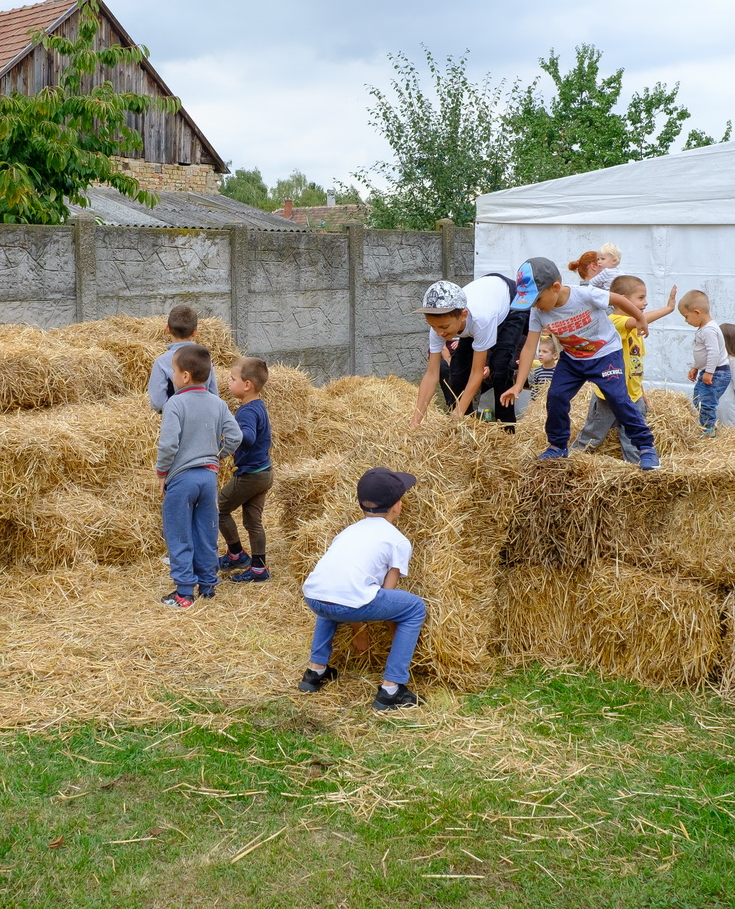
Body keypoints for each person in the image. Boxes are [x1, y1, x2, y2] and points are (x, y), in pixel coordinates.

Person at [499, 257, 658, 469]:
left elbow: (618, 299)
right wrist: (519, 384)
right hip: (573, 359)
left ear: (556, 287)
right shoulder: (538, 313)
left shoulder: (584, 294)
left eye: (537, 299)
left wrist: (640, 318)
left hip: (605, 354)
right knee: (556, 396)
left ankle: (646, 447)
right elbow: (529, 347)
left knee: (618, 399)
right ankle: (557, 446)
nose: (535, 306)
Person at [296, 467, 426, 710]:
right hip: (348, 603)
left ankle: (315, 671)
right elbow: (387, 593)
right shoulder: (398, 540)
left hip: (314, 598)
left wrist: (358, 629)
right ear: (398, 505)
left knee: (332, 596)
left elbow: (344, 587)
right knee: (415, 607)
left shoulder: (348, 531)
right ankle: (391, 689)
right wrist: (382, 630)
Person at [154, 345, 242, 607]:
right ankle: (207, 586)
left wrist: (162, 472)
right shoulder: (218, 403)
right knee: (206, 533)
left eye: (174, 371)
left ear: (185, 376)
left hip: (181, 479)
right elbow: (236, 436)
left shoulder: (174, 403)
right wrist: (219, 455)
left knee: (179, 534)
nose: (172, 376)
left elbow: (168, 445)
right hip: (208, 478)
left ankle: (183, 593)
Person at [570, 276, 675, 460]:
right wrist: (668, 309)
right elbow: (639, 321)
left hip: (633, 396)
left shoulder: (636, 331)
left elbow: (635, 365)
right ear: (622, 300)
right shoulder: (614, 321)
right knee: (593, 434)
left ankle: (635, 468)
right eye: (641, 298)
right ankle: (573, 458)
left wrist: (641, 392)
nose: (645, 302)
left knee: (633, 437)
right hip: (609, 396)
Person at [412, 273, 529, 429]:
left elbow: (477, 373)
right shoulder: (439, 327)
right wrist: (415, 423)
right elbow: (432, 374)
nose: (439, 332)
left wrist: (457, 414)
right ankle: (465, 427)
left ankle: (506, 429)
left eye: (444, 327)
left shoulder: (481, 319)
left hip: (511, 303)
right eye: (433, 326)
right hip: (480, 311)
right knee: (458, 369)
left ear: (462, 315)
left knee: (500, 366)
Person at [218, 357, 274, 584]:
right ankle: (259, 568)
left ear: (247, 385)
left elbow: (247, 437)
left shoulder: (246, 412)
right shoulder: (259, 405)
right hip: (264, 472)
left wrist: (228, 431)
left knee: (219, 509)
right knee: (253, 522)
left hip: (250, 475)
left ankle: (236, 554)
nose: (229, 383)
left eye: (233, 379)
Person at [147, 304, 217, 411]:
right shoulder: (203, 358)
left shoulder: (161, 362)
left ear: (167, 329)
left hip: (174, 415)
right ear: (195, 332)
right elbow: (213, 394)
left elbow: (157, 403)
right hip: (203, 414)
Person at [680, 290, 728, 435]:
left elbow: (714, 353)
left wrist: (709, 372)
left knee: (706, 402)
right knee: (698, 400)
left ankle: (709, 429)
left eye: (686, 316)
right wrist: (696, 367)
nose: (686, 321)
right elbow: (703, 353)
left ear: (697, 312)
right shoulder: (705, 329)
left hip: (717, 372)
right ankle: (707, 426)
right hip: (710, 371)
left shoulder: (709, 330)